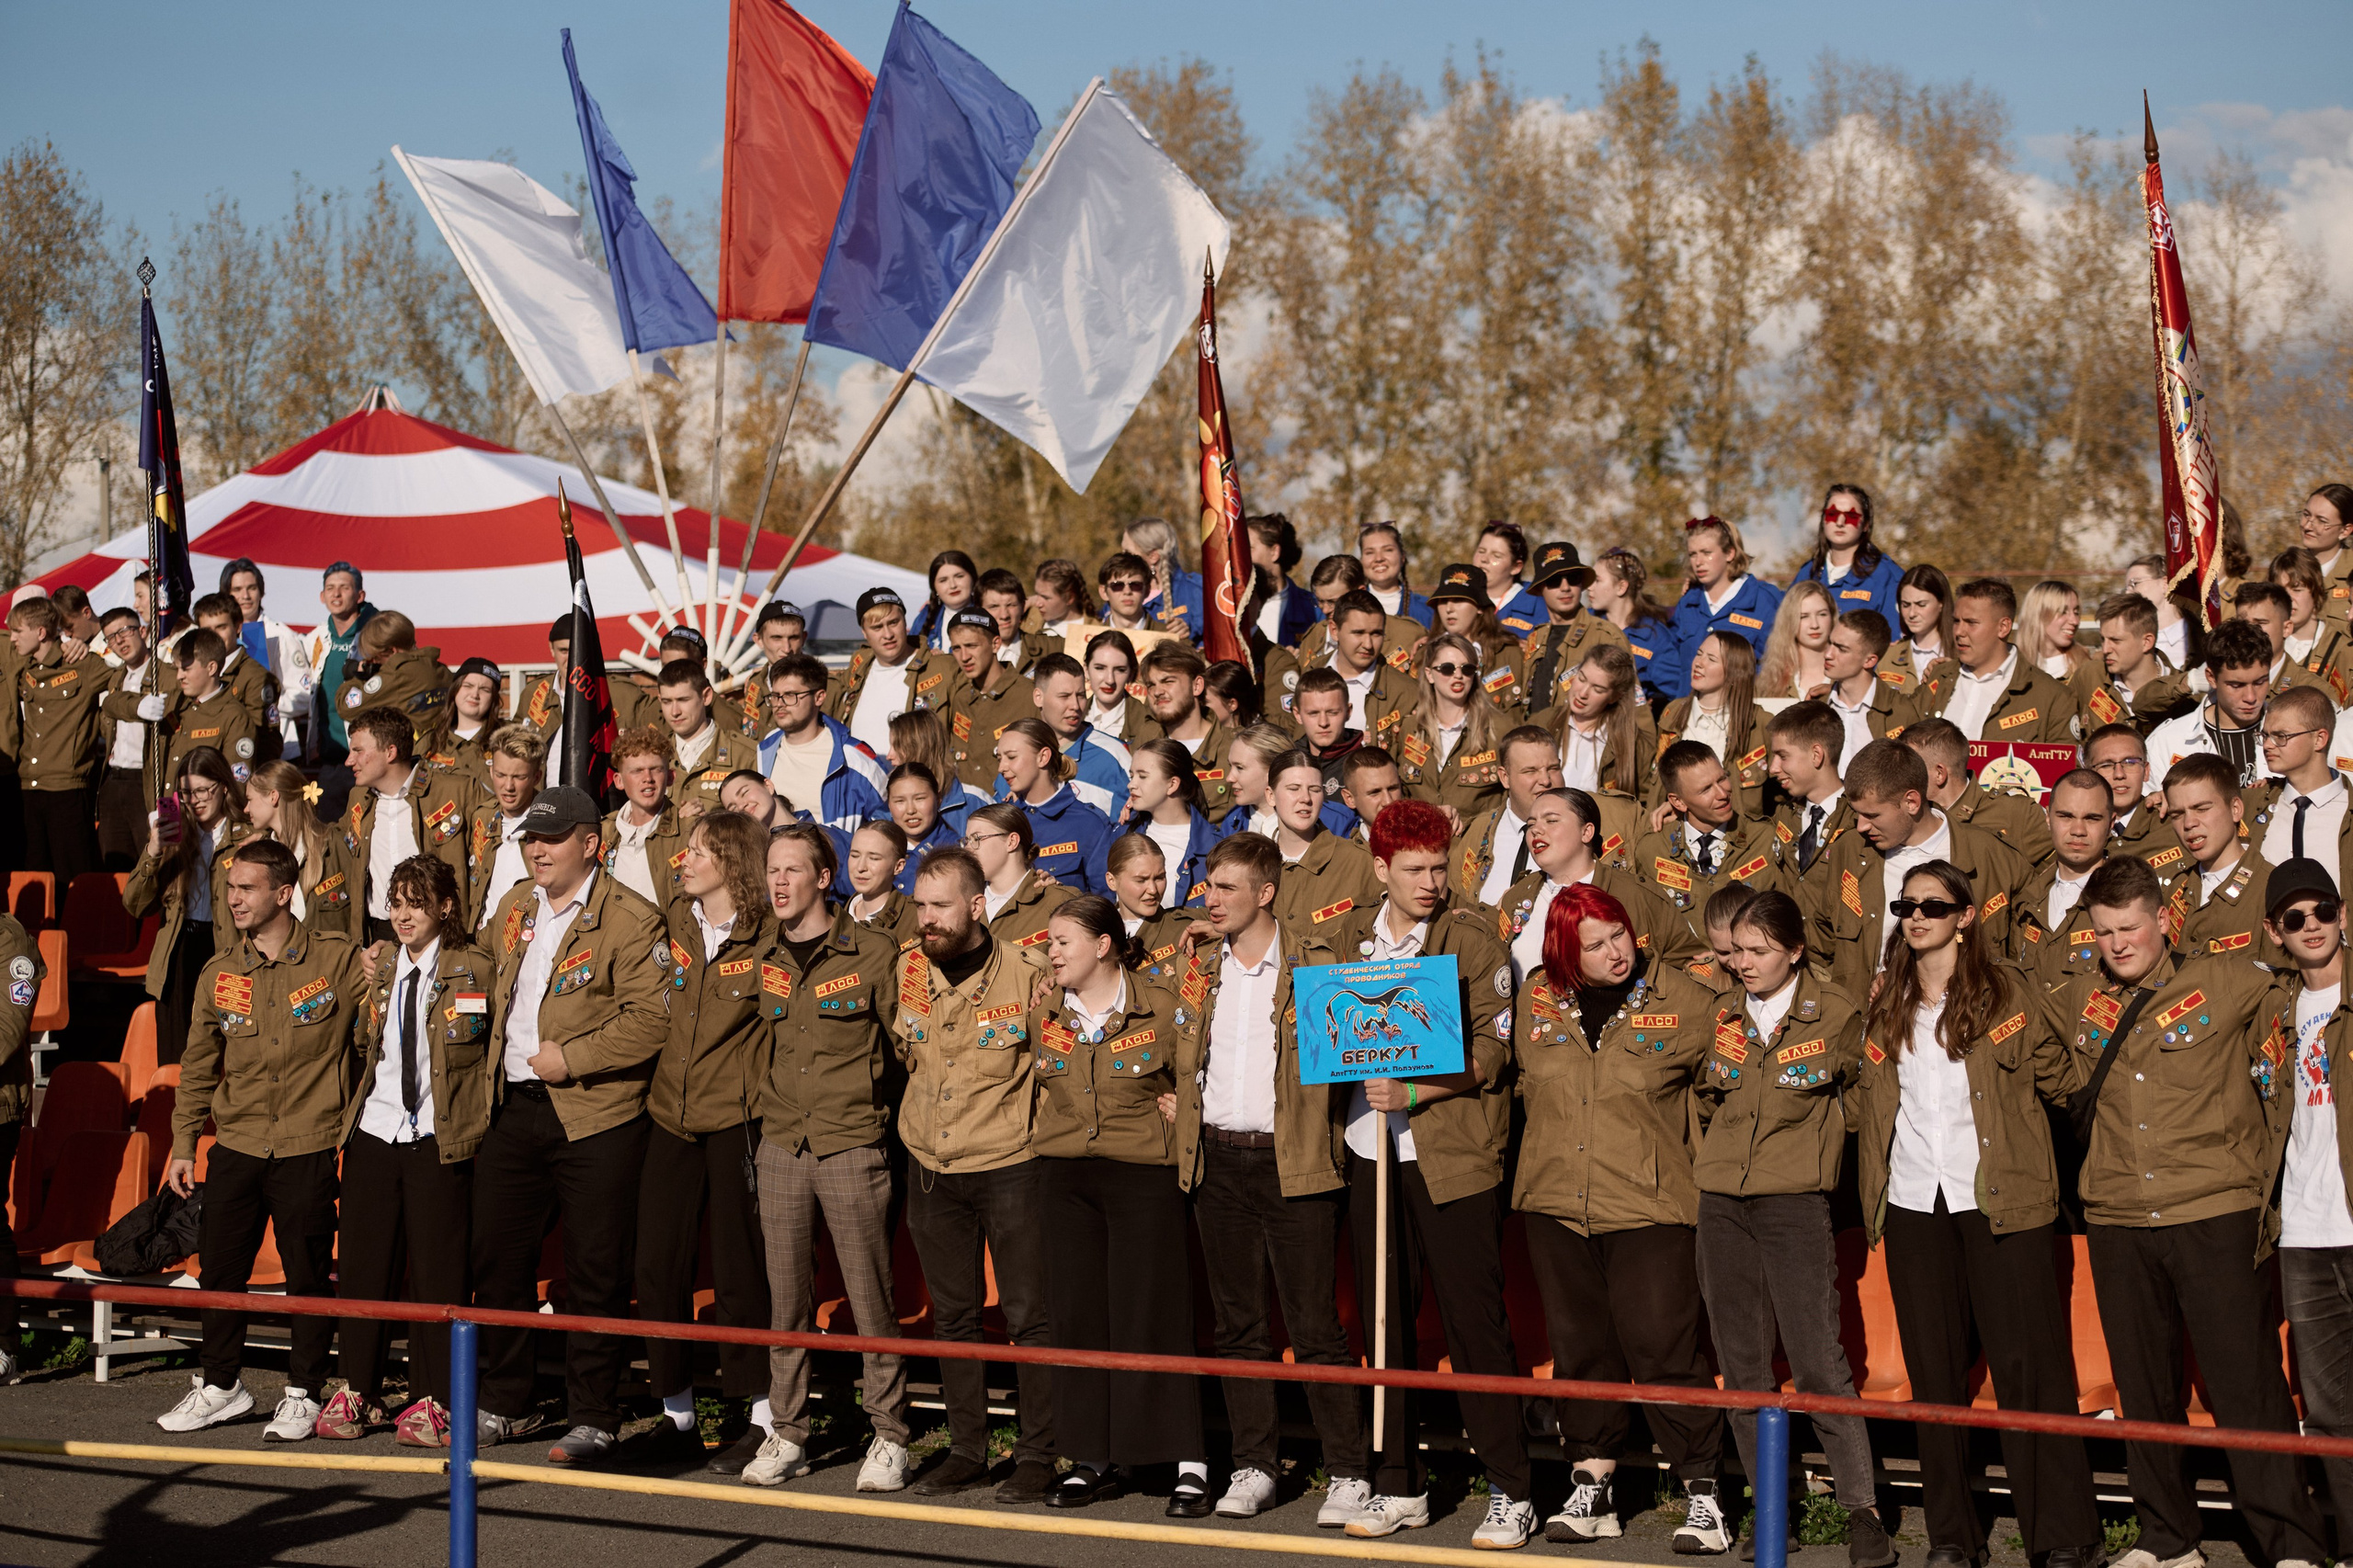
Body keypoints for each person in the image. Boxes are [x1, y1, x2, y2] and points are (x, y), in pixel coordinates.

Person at [2042, 855, 2328, 1568]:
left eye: (2129, 927)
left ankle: (2289, 1542)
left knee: (2248, 1386)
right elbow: (2011, 1018)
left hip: (2213, 1211)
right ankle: (2168, 1541)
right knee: (2145, 1388)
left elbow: (2315, 1004)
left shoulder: (2231, 983)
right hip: (2117, 1217)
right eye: (2104, 932)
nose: (2118, 944)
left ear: (2163, 920)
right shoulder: (2077, 998)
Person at [1854, 859, 2101, 1568]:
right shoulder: (1884, 1002)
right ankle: (1953, 1538)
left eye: (1935, 904)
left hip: (2004, 1201)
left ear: (1966, 915)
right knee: (1935, 1378)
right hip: (1914, 1203)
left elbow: (2067, 1081)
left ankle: (2062, 1536)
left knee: (2031, 1371)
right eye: (1907, 905)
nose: (1918, 915)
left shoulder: (2011, 993)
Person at [1318, 800, 1531, 1545]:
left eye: (1441, 866)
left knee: (1477, 1325)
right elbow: (1324, 1032)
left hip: (1453, 1156)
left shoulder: (1472, 938)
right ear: (1380, 868)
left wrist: (1416, 1089)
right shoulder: (1348, 937)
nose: (1431, 882)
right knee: (1387, 1324)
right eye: (1414, 869)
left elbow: (1495, 1053)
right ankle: (1396, 1483)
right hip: (1371, 1154)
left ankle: (1512, 1485)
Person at [1513, 881, 1730, 1552]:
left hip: (1650, 1203)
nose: (1616, 952)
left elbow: (1719, 1096)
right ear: (1563, 954)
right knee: (1581, 1352)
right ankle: (1592, 1484)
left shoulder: (1690, 1002)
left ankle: (1704, 1494)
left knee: (1664, 1349)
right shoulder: (1535, 999)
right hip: (1555, 1201)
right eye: (1595, 944)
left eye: (1620, 935)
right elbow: (1527, 1084)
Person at [1169, 832, 1370, 1530]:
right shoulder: (1197, 967)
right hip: (1217, 1161)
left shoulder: (1316, 964)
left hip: (1297, 1162)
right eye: (1208, 886)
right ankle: (1255, 1464)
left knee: (1316, 1327)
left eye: (1227, 888)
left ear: (1265, 893)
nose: (1212, 899)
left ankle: (1348, 1470)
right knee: (1238, 1326)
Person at [472, 786, 671, 1463]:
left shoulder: (633, 918)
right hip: (512, 1107)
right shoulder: (513, 905)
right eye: (531, 838)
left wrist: (574, 1058)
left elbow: (654, 1017)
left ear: (591, 843)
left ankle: (594, 1413)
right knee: (499, 1262)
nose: (537, 849)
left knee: (596, 1270)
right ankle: (507, 1402)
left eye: (552, 839)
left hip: (596, 1114)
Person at [1694, 890, 1892, 1567]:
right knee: (1744, 1369)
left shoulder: (1836, 1013)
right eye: (1737, 951)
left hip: (1795, 1204)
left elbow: (1867, 1103)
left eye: (1758, 951)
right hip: (1721, 1202)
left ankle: (1862, 1510)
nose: (1743, 963)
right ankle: (1770, 1510)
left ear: (1795, 950)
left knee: (1817, 1363)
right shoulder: (1722, 1013)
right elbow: (1706, 1098)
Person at [155, 838, 363, 1440]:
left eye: (247, 888)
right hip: (238, 1143)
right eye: (230, 888)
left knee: (304, 1273)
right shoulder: (219, 973)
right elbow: (197, 1066)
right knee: (221, 1270)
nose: (235, 899)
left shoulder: (338, 961)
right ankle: (221, 1385)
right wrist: (184, 1144)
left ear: (283, 892)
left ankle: (303, 1391)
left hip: (307, 1142)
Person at [732, 825, 915, 1486]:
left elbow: (909, 1047)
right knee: (786, 1303)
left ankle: (891, 1434)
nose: (778, 883)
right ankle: (787, 1434)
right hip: (782, 1142)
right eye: (771, 871)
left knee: (870, 1300)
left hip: (851, 1144)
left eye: (791, 870)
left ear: (824, 877)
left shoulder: (875, 952)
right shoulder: (765, 957)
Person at [884, 846, 1060, 1498]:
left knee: (1028, 1314)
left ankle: (1039, 1453)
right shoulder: (908, 967)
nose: (925, 919)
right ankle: (967, 1448)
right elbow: (908, 1051)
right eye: (920, 906)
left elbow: (1053, 1060)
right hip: (931, 1162)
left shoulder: (1029, 972)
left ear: (977, 905)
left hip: (1011, 1163)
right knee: (952, 1315)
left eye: (939, 906)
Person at [1025, 895, 1210, 1512]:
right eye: (1049, 943)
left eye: (1062, 942)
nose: (1051, 953)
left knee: (1153, 1315)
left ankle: (1187, 1458)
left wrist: (1188, 1110)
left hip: (1143, 1176)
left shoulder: (1160, 1005)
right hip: (1065, 1178)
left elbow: (1194, 1075)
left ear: (1103, 944)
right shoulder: (1045, 1011)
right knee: (1078, 1317)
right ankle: (1091, 1456)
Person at [316, 854, 495, 1449]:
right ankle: (358, 1387)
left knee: (438, 1271)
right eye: (395, 903)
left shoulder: (475, 968)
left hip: (437, 1137)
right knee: (366, 1266)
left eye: (416, 903)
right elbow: (364, 1040)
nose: (403, 915)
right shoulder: (383, 964)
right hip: (376, 1127)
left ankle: (435, 1397)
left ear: (446, 906)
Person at [629, 811, 780, 1470]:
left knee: (742, 1274)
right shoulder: (674, 922)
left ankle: (759, 1416)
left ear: (731, 863)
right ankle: (678, 1412)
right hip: (669, 1114)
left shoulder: (769, 936)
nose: (682, 861)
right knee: (658, 1264)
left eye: (697, 852)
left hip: (735, 1120)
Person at [2259, 858, 2353, 1544]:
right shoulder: (2271, 1011)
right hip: (2304, 1236)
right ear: (2274, 932)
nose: (2312, 924)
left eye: (2323, 910)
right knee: (2327, 1409)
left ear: (2342, 915)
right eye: (2295, 918)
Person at [1802, 740, 2029, 999]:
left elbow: (2026, 954)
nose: (1862, 826)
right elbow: (1822, 943)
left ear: (1911, 802)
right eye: (1857, 814)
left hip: (1964, 1022)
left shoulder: (1991, 855)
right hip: (1869, 1027)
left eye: (1872, 815)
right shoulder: (1849, 852)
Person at [1495, 786, 1706, 983]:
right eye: (1531, 824)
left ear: (1587, 832)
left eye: (1551, 821)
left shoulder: (1637, 895)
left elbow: (1691, 962)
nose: (1536, 831)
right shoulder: (1519, 895)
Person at [125, 748, 254, 1064]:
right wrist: (154, 851)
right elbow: (135, 905)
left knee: (228, 1055)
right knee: (175, 1058)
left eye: (202, 790)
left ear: (224, 785)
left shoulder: (246, 834)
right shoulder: (174, 835)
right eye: (186, 793)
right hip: (179, 949)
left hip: (228, 947)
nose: (194, 800)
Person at [325, 705, 483, 946]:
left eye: (358, 751)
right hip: (378, 935)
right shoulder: (358, 799)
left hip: (440, 934)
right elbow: (328, 843)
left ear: (390, 752)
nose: (349, 761)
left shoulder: (455, 791)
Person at [10, 594, 110, 892]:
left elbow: (127, 672)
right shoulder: (24, 668)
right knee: (34, 879)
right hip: (29, 789)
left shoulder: (84, 665)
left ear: (41, 633)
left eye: (18, 631)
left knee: (73, 879)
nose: (13, 637)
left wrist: (88, 642)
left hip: (67, 790)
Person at [1629, 742, 1786, 924]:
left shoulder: (1765, 840)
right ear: (1678, 802)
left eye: (1722, 779)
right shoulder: (1652, 850)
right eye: (1705, 789)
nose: (1722, 793)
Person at [1921, 578, 2079, 743]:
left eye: (1971, 623)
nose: (1959, 631)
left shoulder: (2053, 697)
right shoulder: (1938, 676)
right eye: (1956, 621)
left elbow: (2065, 763)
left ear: (2003, 627)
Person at [2162, 752, 2283, 964]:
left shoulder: (2272, 890)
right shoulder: (2175, 888)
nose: (2189, 823)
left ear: (2235, 809)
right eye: (2177, 814)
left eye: (2202, 808)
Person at [2011, 768, 2117, 986]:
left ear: (2111, 824)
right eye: (2066, 816)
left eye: (2092, 818)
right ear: (2048, 817)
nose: (2078, 830)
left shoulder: (2127, 901)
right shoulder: (2026, 902)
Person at [1899, 717, 2053, 865]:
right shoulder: (1901, 816)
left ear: (1939, 774)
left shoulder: (2017, 814)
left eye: (1909, 768)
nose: (1899, 777)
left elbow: (2059, 874)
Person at [1262, 751, 1384, 936]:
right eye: (1294, 788)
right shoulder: (1253, 865)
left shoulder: (1360, 862)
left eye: (1315, 789)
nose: (1305, 798)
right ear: (1271, 796)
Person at [2146, 618, 2276, 790]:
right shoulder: (2168, 742)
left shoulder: (2297, 734)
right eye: (2236, 685)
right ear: (2211, 678)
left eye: (2260, 682)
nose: (2251, 697)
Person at [827, 588, 952, 760]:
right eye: (877, 627)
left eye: (893, 623)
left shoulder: (941, 667)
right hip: (860, 782)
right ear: (864, 632)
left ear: (904, 621)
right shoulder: (858, 668)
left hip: (917, 781)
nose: (888, 635)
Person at [994, 718, 1114, 896]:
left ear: (1043, 757)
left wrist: (1062, 895)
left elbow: (1106, 902)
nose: (1001, 767)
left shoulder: (1089, 824)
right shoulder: (1001, 821)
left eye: (1011, 757)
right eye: (1000, 758)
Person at [1394, 631, 1505, 824]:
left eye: (1467, 669)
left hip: (1477, 846)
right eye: (1447, 668)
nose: (1458, 675)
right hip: (1422, 846)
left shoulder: (1500, 728)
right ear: (1429, 674)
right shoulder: (1410, 728)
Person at [2249, 684, 2348, 896]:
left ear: (2319, 739)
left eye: (2280, 736)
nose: (2267, 745)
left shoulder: (2347, 808)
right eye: (2265, 736)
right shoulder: (2253, 803)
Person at [1659, 631, 1771, 818]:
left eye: (1711, 659)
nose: (1698, 663)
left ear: (1735, 671)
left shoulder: (1760, 723)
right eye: (1699, 654)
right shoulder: (1672, 712)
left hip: (1740, 837)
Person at [1453, 726, 1563, 905]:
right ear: (1505, 777)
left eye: (1553, 768)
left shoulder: (1588, 823)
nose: (1545, 780)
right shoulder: (1477, 833)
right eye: (1530, 771)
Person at [1518, 541, 1629, 717]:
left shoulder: (1607, 636)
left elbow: (1632, 708)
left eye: (1573, 579)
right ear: (1540, 588)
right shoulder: (1536, 638)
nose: (1565, 587)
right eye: (1554, 581)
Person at [220, 558, 315, 751]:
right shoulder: (217, 637)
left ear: (261, 591)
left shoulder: (279, 635)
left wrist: (265, 707)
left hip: (276, 744)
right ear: (227, 594)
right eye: (237, 590)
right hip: (229, 742)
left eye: (251, 588)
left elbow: (305, 694)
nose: (245, 596)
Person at [95, 607, 165, 867]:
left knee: (151, 860)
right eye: (111, 637)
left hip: (147, 781)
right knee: (114, 861)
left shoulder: (164, 675)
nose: (119, 641)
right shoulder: (115, 678)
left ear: (143, 631)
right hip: (115, 780)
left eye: (125, 631)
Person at [962, 800, 1078, 957]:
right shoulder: (962, 904)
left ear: (1011, 842)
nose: (968, 848)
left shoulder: (1059, 901)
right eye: (966, 840)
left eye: (976, 839)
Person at [939, 608, 1036, 793]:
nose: (964, 657)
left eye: (972, 646)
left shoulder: (1028, 695)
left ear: (995, 644)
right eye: (956, 648)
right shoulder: (961, 697)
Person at [1139, 642, 1239, 821]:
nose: (1157, 692)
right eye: (1151, 685)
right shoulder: (1143, 745)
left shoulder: (1236, 748)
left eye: (1168, 681)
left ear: (1197, 686)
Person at [301, 561, 377, 798]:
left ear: (359, 595)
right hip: (331, 758)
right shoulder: (316, 638)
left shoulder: (376, 634)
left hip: (370, 758)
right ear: (322, 596)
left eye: (344, 587)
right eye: (330, 588)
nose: (336, 593)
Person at [1029, 653, 1135, 816]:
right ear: (1038, 697)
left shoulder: (1114, 754)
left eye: (1081, 695)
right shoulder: (1018, 754)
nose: (1075, 706)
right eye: (1064, 696)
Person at [1668, 516, 1781, 666]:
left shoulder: (1764, 601)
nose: (1698, 562)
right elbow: (1675, 664)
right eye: (1693, 554)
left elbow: (1776, 665)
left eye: (1707, 552)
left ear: (1730, 553)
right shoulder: (1688, 602)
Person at [465, 726, 546, 930]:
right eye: (501, 775)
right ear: (491, 771)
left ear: (537, 777)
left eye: (519, 777)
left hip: (532, 936)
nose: (508, 786)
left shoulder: (550, 823)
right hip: (485, 941)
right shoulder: (481, 817)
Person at [656, 657, 759, 816]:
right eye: (667, 701)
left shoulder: (745, 755)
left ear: (706, 696)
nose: (674, 711)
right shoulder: (653, 755)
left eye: (683, 700)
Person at [1790, 483, 1903, 629]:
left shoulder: (1887, 576)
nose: (1840, 522)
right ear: (1824, 519)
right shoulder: (1807, 574)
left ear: (1866, 524)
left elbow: (1897, 644)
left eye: (1851, 517)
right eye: (1832, 514)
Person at [158, 627, 260, 786]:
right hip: (166, 808)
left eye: (186, 669)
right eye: (177, 668)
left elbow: (236, 784)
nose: (179, 676)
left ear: (211, 668)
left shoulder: (234, 717)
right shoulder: (174, 703)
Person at [601, 729, 690, 907]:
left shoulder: (691, 832)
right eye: (637, 771)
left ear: (671, 777)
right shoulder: (603, 833)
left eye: (656, 769)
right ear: (618, 781)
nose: (647, 778)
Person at [1124, 738, 1218, 908]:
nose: (1131, 784)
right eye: (1132, 775)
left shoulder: (1215, 846)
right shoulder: (1121, 833)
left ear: (1172, 784)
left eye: (1142, 776)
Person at [191, 591, 284, 761]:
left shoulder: (256, 677)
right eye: (207, 630)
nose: (214, 636)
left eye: (221, 627)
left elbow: (267, 743)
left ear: (238, 626)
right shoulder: (192, 673)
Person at [1764, 701, 1851, 881]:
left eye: (1783, 756)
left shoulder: (1859, 820)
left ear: (1816, 755)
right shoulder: (1784, 816)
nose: (1773, 768)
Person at [244, 759, 336, 927]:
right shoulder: (261, 851)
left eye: (250, 799)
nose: (246, 809)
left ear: (273, 796)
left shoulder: (332, 844)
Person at [2086, 592, 2193, 733]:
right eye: (2103, 639)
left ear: (2146, 642)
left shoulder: (2187, 697)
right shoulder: (2090, 677)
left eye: (2116, 640)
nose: (2105, 649)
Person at [1426, 566, 1529, 712]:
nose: (1449, 608)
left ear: (1480, 606)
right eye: (1443, 601)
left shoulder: (1508, 654)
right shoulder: (1425, 654)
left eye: (1458, 600)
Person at [1588, 546, 1682, 704]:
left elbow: (1678, 695)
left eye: (1597, 581)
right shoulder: (1586, 623)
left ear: (1621, 587)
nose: (1589, 587)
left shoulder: (1654, 636)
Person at [1106, 835, 1198, 973]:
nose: (1153, 890)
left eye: (1160, 878)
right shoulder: (1094, 931)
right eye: (1141, 880)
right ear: (1112, 881)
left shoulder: (1187, 928)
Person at [2272, 546, 2353, 702]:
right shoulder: (2265, 645)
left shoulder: (2341, 648)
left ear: (2316, 591)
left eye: (2297, 589)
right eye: (2281, 591)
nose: (2288, 599)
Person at [1877, 563, 1956, 699]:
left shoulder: (1962, 654)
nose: (1912, 613)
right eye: (1906, 605)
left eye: (1921, 604)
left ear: (1941, 603)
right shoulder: (1888, 655)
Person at [425, 656, 505, 788]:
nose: (475, 694)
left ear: (493, 699)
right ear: (455, 689)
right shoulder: (430, 741)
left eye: (485, 689)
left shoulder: (506, 741)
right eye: (468, 686)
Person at [1121, 516, 1205, 642]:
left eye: (1127, 552)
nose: (1121, 558)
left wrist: (1186, 635)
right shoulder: (1118, 590)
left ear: (1153, 556)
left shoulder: (1197, 590)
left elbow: (1220, 640)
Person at [1245, 515, 1319, 648]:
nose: (1240, 555)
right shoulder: (1228, 602)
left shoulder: (1314, 608)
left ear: (1274, 552)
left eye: (1249, 548)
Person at [1757, 579, 1836, 700]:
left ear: (1832, 617)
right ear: (1789, 621)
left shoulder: (1850, 674)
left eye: (1822, 614)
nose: (1814, 625)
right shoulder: (1770, 679)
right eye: (1803, 616)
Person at [2017, 579, 2094, 699]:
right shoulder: (2011, 666)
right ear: (2039, 614)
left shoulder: (2087, 666)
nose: (2075, 621)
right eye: (2063, 612)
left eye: (2076, 612)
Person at [2124, 552, 2199, 674]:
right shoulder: (2129, 638)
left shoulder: (2198, 635)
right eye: (2126, 588)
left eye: (2134, 584)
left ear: (2165, 583)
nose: (2127, 594)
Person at [1472, 520, 1546, 635]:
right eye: (1481, 551)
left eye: (1496, 556)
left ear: (1516, 567)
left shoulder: (1540, 607)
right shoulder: (1450, 600)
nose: (1484, 559)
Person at [1082, 630, 1151, 748]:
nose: (1110, 680)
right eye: (1100, 668)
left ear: (1131, 673)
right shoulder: (1070, 716)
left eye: (1120, 670)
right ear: (1086, 670)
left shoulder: (1147, 723)